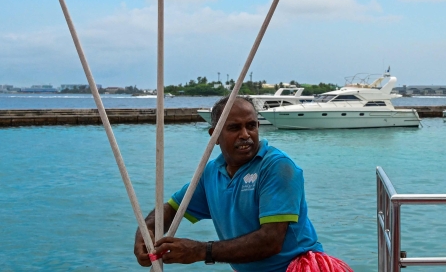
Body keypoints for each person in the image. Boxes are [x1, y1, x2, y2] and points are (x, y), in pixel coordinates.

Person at [134, 95, 351, 271]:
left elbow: (271, 241)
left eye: (251, 126)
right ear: (214, 136)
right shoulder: (211, 172)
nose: (245, 135)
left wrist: (201, 251)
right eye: (234, 128)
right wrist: (146, 231)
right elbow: (172, 208)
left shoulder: (277, 167)